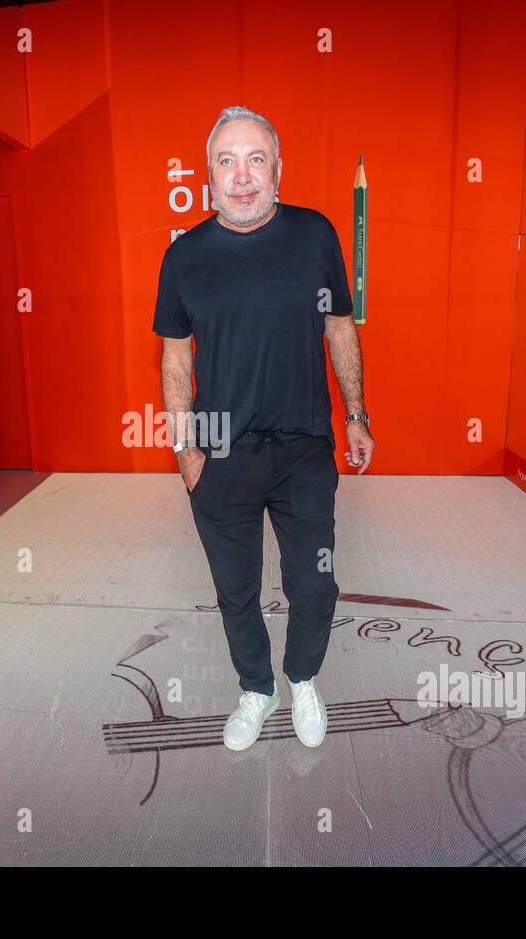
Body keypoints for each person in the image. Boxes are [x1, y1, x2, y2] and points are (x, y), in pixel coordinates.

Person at [152, 105, 374, 751]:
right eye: (227, 160)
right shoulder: (185, 256)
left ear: (279, 170)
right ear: (209, 175)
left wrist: (355, 414)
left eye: (255, 159)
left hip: (305, 445)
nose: (241, 175)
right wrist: (185, 450)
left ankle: (302, 678)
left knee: (314, 583)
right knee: (235, 590)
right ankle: (257, 689)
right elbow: (173, 354)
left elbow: (338, 327)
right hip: (219, 452)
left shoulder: (315, 235)